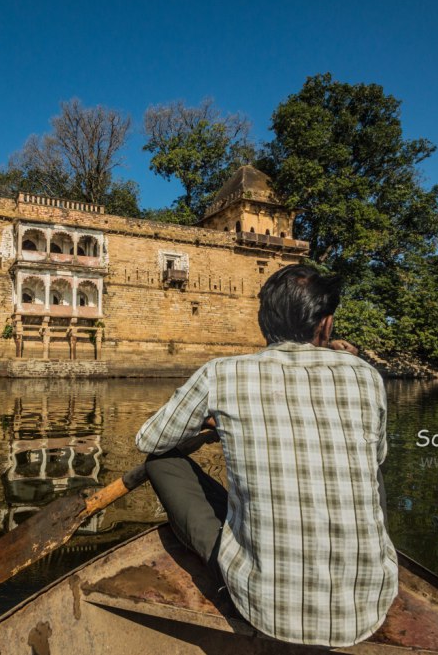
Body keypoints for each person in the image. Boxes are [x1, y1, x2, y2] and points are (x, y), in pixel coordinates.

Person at [135, 264, 396, 648]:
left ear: (264, 324)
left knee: (161, 461)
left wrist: (211, 422)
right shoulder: (365, 375)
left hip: (264, 604)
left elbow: (150, 439)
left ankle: (227, 562)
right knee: (373, 471)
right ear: (325, 325)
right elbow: (376, 457)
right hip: (368, 604)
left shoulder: (222, 374)